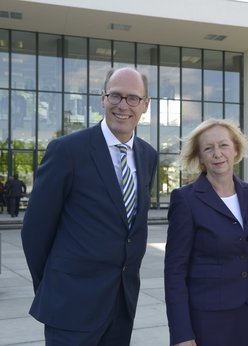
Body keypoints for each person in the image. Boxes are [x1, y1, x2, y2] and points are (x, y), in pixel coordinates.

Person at [21, 67, 158, 345]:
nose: (123, 105)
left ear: (145, 104)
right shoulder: (67, 151)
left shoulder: (148, 156)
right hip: (70, 307)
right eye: (115, 96)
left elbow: (132, 228)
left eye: (132, 98)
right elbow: (35, 231)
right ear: (102, 98)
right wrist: (53, 287)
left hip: (121, 304)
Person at [164, 118, 248, 346]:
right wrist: (181, 333)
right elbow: (175, 272)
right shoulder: (185, 200)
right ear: (200, 157)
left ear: (236, 149)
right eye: (208, 148)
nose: (217, 153)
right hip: (206, 319)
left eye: (224, 145)